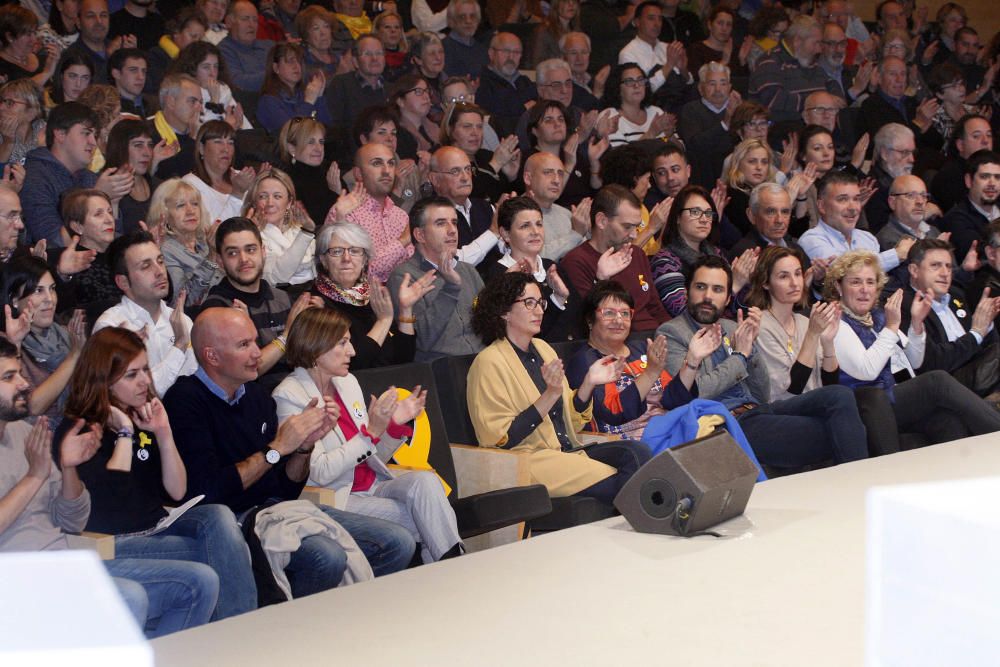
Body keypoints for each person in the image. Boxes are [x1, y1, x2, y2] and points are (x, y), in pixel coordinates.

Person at [163, 307, 416, 596]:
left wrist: (305, 446)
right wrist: (276, 449)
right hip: (231, 520)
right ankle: (297, 627)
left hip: (281, 509)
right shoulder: (185, 401)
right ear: (212, 356)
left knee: (397, 542)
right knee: (326, 557)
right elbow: (210, 491)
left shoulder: (256, 397)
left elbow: (287, 487)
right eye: (244, 345)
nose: (258, 353)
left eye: (255, 342)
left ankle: (341, 618)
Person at [0, 338, 219, 638]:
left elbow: (70, 520)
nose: (25, 384)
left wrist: (67, 469)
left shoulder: (26, 433)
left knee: (201, 579)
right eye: (9, 377)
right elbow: (108, 507)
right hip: (21, 576)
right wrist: (34, 477)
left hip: (65, 560)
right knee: (131, 595)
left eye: (20, 373)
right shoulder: (80, 425)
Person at [56, 326, 257, 622]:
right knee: (218, 550)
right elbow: (116, 497)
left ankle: (240, 626)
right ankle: (238, 629)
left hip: (158, 527)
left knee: (218, 516)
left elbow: (177, 492)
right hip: (113, 541)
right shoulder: (81, 430)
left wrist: (163, 434)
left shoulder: (142, 419)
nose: (145, 381)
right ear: (104, 381)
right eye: (131, 375)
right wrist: (124, 432)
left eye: (145, 370)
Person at [273, 307, 462, 562]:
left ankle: (449, 570)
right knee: (429, 518)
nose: (352, 351)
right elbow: (319, 473)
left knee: (426, 483)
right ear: (316, 347)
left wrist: (393, 424)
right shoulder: (289, 395)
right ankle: (453, 569)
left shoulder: (347, 382)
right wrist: (371, 432)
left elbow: (371, 456)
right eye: (343, 343)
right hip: (334, 496)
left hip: (373, 485)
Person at [658, 254, 869, 469]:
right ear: (687, 292)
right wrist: (740, 357)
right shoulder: (672, 333)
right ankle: (859, 485)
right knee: (840, 430)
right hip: (727, 422)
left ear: (728, 298)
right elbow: (695, 393)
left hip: (758, 410)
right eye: (701, 287)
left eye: (718, 290)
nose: (708, 296)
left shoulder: (732, 328)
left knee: (840, 395)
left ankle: (856, 483)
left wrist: (752, 352)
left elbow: (762, 394)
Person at [468, 270, 653, 502]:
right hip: (531, 460)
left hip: (569, 450)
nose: (539, 310)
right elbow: (499, 439)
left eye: (540, 302)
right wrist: (550, 395)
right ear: (504, 311)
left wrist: (589, 383)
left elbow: (574, 422)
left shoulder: (543, 348)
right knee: (622, 478)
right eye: (529, 303)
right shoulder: (488, 362)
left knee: (637, 453)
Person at [824, 249, 1000, 448]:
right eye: (856, 282)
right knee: (937, 380)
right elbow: (867, 370)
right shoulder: (837, 322)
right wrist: (891, 327)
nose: (865, 289)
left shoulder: (879, 316)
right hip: (872, 406)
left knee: (948, 421)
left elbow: (915, 361)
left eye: (870, 282)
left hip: (902, 395)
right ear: (839, 287)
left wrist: (916, 326)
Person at [566, 280, 710, 439]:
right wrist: (650, 373)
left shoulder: (641, 349)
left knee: (713, 418)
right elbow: (614, 413)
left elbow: (672, 399)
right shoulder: (586, 361)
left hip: (665, 429)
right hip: (626, 443)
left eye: (625, 313)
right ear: (590, 320)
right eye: (609, 313)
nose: (619, 320)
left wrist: (692, 361)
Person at [201, 217, 317, 388]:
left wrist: (318, 327)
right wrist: (286, 336)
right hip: (252, 402)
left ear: (263, 252)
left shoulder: (282, 298)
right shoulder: (217, 309)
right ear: (220, 261)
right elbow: (247, 370)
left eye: (250, 249)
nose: (244, 259)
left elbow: (308, 358)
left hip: (299, 392)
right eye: (233, 253)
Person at [309, 222, 432, 369]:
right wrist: (383, 321)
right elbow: (351, 366)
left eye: (355, 251)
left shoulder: (373, 296)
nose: (346, 258)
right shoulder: (315, 304)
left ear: (365, 260)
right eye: (336, 251)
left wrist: (406, 309)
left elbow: (404, 359)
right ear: (324, 260)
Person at [93, 232, 198, 395]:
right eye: (146, 266)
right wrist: (179, 346)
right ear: (123, 282)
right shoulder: (111, 327)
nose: (160, 272)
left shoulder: (182, 320)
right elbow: (134, 392)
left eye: (160, 261)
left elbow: (195, 382)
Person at [560, 185, 668, 333]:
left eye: (636, 227)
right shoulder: (575, 262)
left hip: (653, 338)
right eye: (627, 227)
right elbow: (589, 321)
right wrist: (602, 280)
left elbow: (656, 308)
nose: (634, 235)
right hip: (618, 342)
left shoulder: (636, 254)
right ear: (602, 221)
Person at [387, 196, 484, 360]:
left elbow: (491, 324)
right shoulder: (404, 277)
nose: (452, 230)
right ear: (420, 235)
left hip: (484, 364)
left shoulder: (468, 271)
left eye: (454, 222)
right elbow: (421, 340)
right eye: (441, 223)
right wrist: (450, 288)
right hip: (442, 370)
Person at [900, 238, 1000, 395]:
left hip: (979, 375)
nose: (945, 273)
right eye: (935, 266)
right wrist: (975, 334)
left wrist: (987, 322)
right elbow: (932, 362)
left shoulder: (956, 295)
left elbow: (986, 346)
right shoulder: (904, 306)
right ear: (914, 270)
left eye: (948, 266)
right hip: (944, 385)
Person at [747, 246, 844, 404]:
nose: (794, 283)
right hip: (784, 411)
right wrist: (812, 335)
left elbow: (831, 385)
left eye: (798, 274)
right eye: (784, 276)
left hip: (815, 406)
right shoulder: (759, 326)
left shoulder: (805, 322)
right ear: (765, 283)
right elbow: (793, 388)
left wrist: (827, 343)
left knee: (857, 396)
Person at [479, 196, 581, 342]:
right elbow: (505, 333)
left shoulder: (552, 267)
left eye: (539, 224)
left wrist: (600, 276)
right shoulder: (498, 274)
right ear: (506, 234)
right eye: (525, 226)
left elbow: (578, 317)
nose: (535, 231)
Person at [21, 102, 122, 247]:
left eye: (95, 135)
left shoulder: (90, 177)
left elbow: (115, 242)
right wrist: (99, 195)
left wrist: (114, 202)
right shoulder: (34, 177)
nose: (93, 142)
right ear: (61, 134)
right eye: (86, 133)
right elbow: (52, 241)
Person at [1, 256, 85, 425]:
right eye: (39, 291)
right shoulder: (6, 343)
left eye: (52, 289)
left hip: (75, 424)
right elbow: (32, 406)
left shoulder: (64, 334)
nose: (50, 299)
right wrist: (74, 356)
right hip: (35, 435)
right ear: (15, 300)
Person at [652, 184, 750, 318]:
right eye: (695, 212)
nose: (704, 219)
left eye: (708, 213)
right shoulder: (665, 261)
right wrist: (734, 286)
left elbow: (741, 309)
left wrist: (745, 282)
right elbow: (683, 311)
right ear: (678, 218)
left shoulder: (717, 254)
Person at [325, 142, 411, 284]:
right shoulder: (344, 212)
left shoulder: (400, 215)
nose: (386, 170)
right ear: (358, 173)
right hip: (362, 301)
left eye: (391, 164)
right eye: (377, 163)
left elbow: (412, 266)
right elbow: (357, 274)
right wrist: (402, 242)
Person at [800, 171, 911, 273]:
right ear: (822, 206)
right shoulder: (811, 239)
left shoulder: (868, 239)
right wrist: (897, 255)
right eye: (842, 199)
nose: (853, 207)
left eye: (856, 199)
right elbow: (846, 272)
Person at [148, 179, 223, 306]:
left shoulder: (205, 242)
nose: (191, 211)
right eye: (180, 205)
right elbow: (182, 302)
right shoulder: (165, 251)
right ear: (164, 214)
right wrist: (210, 259)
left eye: (195, 204)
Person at [242, 167, 317, 290]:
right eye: (263, 196)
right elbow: (276, 277)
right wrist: (306, 234)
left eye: (277, 196)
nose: (270, 203)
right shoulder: (249, 237)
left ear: (288, 203)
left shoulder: (298, 230)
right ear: (254, 202)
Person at [749, 15, 831, 123]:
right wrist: (815, 104)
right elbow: (774, 100)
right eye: (816, 43)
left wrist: (826, 103)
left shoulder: (810, 61)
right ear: (797, 41)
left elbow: (832, 86)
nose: (819, 49)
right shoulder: (769, 61)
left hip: (813, 127)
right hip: (782, 129)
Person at [427, 145, 499, 267]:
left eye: (468, 169)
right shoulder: (429, 215)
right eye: (455, 171)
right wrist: (493, 233)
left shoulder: (485, 207)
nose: (465, 178)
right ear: (435, 179)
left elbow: (507, 250)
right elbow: (453, 261)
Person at [56, 188, 122, 320]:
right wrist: (64, 276)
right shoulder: (69, 262)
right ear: (78, 227)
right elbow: (64, 313)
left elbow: (165, 294)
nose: (109, 219)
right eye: (98, 214)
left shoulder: (123, 254)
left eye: (110, 212)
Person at [440, 101, 518, 203]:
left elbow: (510, 199)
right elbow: (469, 198)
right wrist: (495, 164)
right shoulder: (443, 160)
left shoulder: (488, 156)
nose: (475, 133)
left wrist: (511, 177)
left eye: (479, 127)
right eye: (467, 126)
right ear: (450, 130)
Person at [103, 119, 169, 234]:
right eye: (138, 145)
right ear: (120, 148)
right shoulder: (104, 186)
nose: (147, 152)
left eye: (150, 145)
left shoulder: (159, 186)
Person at [180, 120, 251, 226]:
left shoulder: (241, 176)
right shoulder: (189, 185)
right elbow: (212, 234)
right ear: (201, 148)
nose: (226, 149)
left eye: (230, 143)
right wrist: (237, 194)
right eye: (218, 142)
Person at [169, 41, 248, 130]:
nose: (212, 73)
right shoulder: (184, 93)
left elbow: (239, 124)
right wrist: (214, 103)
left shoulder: (223, 89)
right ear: (192, 70)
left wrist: (236, 125)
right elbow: (203, 133)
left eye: (216, 66)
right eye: (206, 67)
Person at [277, 116, 341, 227]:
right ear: (292, 148)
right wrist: (335, 194)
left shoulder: (330, 172)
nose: (318, 148)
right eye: (310, 142)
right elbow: (314, 223)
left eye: (321, 142)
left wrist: (338, 192)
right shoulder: (287, 182)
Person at [257, 42, 332, 135]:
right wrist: (308, 102)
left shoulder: (303, 94)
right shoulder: (268, 101)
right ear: (276, 68)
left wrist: (319, 97)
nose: (296, 66)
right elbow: (292, 133)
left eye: (298, 61)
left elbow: (327, 128)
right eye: (290, 61)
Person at [522, 152, 585, 262]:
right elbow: (536, 259)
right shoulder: (515, 214)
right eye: (547, 173)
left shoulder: (567, 214)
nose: (556, 180)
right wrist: (576, 234)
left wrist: (588, 232)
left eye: (560, 174)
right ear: (528, 178)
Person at [940, 149, 1000, 261]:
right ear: (969, 181)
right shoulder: (956, 220)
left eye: (997, 177)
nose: (992, 183)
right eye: (984, 177)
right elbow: (981, 256)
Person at [327, 35, 389, 140]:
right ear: (355, 61)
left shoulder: (391, 89)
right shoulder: (341, 85)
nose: (374, 58)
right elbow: (335, 129)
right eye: (367, 54)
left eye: (379, 53)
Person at [475, 32, 536, 138]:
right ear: (491, 53)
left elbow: (537, 115)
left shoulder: (525, 82)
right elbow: (495, 124)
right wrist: (523, 110)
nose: (511, 57)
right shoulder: (481, 84)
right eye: (505, 51)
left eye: (516, 52)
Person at [931, 114, 993, 213]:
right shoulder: (949, 177)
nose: (986, 141)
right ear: (961, 145)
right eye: (976, 136)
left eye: (989, 135)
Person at [603, 62, 674, 147]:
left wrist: (669, 136)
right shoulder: (610, 116)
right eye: (629, 81)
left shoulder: (656, 112)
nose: (636, 85)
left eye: (640, 80)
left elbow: (681, 151)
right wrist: (651, 133)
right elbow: (620, 158)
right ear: (617, 88)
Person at [728, 182, 806, 259]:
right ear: (751, 216)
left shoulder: (797, 250)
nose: (779, 220)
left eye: (785, 212)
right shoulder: (744, 254)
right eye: (771, 212)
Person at [150, 73, 204, 179]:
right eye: (192, 101)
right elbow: (175, 176)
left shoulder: (201, 132)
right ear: (171, 102)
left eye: (200, 102)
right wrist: (193, 139)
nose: (200, 108)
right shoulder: (147, 133)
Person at [144, 8, 207, 96]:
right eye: (193, 36)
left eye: (200, 39)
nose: (197, 42)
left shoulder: (198, 61)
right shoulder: (156, 55)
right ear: (176, 32)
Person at [218, 0, 274, 93]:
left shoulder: (270, 46)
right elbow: (237, 82)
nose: (251, 25)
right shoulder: (223, 50)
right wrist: (276, 74)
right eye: (245, 19)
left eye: (255, 20)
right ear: (229, 22)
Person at [876, 174, 942, 250]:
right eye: (911, 195)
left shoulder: (934, 232)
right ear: (892, 203)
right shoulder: (887, 240)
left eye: (923, 196)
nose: (920, 201)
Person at [0, 5, 59, 89]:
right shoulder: (2, 68)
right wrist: (46, 73)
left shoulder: (43, 58)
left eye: (34, 32)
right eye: (28, 34)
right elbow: (18, 95)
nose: (34, 39)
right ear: (10, 37)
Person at [62, 0, 113, 85]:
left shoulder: (119, 49)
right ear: (78, 22)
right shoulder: (71, 57)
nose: (99, 21)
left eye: (103, 15)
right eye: (91, 16)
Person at [389, 73, 438, 160]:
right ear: (400, 101)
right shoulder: (397, 134)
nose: (426, 97)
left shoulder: (434, 127)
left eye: (427, 91)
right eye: (418, 92)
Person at [0, 78, 46, 170]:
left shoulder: (43, 130)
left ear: (31, 112)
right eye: (1, 101)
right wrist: (7, 143)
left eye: (10, 103)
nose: (1, 107)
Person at [298, 5, 352, 82]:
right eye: (316, 28)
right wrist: (339, 75)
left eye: (326, 26)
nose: (323, 33)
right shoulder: (302, 60)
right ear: (306, 35)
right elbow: (314, 90)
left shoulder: (338, 58)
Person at [441, 0, 488, 79]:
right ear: (451, 20)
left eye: (472, 16)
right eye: (462, 17)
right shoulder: (443, 50)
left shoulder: (482, 49)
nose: (468, 21)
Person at [530, 0, 580, 68]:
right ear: (556, 5)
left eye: (574, 1)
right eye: (565, 1)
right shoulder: (544, 31)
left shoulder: (577, 30)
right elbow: (536, 63)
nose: (571, 4)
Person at [108, 48, 154, 117]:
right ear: (116, 74)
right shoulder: (107, 108)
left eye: (144, 71)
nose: (141, 77)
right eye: (133, 70)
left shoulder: (156, 105)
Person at [373, 11, 409, 81]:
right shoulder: (373, 59)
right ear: (377, 31)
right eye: (387, 27)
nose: (393, 30)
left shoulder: (410, 59)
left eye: (397, 27)